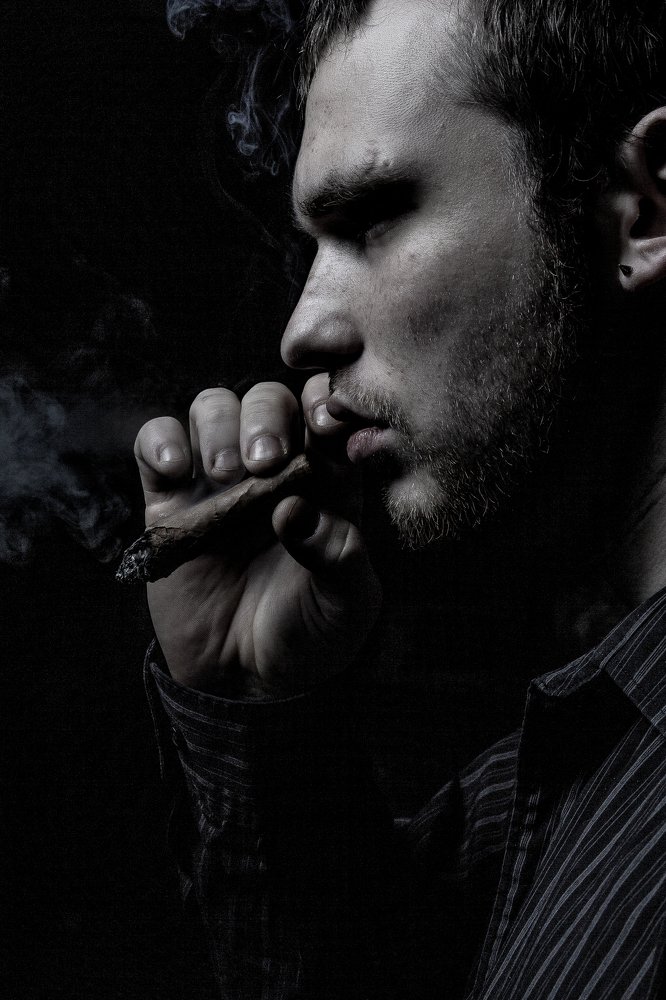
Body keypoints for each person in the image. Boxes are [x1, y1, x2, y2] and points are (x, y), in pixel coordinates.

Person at [134, 1, 666, 996]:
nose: (302, 332)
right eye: (312, 249)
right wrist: (259, 708)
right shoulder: (556, 781)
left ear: (645, 208)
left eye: (374, 218)